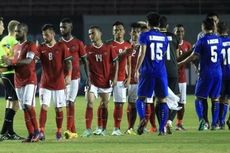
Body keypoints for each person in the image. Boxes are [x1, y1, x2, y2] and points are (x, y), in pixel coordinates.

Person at [178, 18, 222, 130]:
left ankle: (204, 122)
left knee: (199, 98)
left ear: (203, 27)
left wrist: (181, 63)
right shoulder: (218, 39)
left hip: (206, 73)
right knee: (215, 98)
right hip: (218, 72)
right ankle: (215, 124)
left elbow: (194, 56)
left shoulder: (202, 41)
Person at [2, 23, 40, 142]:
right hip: (18, 80)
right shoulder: (15, 47)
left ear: (24, 32)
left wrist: (11, 62)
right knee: (24, 107)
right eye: (16, 31)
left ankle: (37, 132)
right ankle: (30, 134)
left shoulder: (30, 45)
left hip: (30, 79)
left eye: (18, 31)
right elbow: (13, 64)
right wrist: (6, 65)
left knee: (28, 105)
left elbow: (28, 61)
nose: (16, 33)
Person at [135, 12, 169, 136]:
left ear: (148, 23)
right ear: (159, 24)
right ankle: (162, 129)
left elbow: (142, 53)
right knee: (162, 100)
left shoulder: (144, 35)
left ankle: (143, 117)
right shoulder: (164, 37)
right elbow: (163, 55)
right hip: (161, 71)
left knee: (141, 98)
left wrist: (136, 69)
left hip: (147, 71)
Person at [81, 26, 118, 137]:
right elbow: (83, 63)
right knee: (90, 102)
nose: (90, 36)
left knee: (104, 105)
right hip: (92, 81)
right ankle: (88, 129)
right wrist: (86, 78)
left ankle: (103, 129)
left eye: (93, 33)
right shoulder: (87, 49)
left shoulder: (108, 48)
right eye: (89, 34)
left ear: (100, 34)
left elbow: (116, 63)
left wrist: (115, 78)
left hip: (106, 81)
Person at [37, 24, 72, 141]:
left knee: (59, 109)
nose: (44, 37)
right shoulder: (41, 48)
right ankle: (41, 131)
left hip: (59, 83)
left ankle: (58, 131)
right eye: (43, 35)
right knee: (44, 106)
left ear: (52, 34)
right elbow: (34, 60)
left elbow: (68, 63)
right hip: (45, 83)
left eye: (46, 35)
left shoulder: (62, 46)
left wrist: (69, 76)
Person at [59, 18, 89, 139]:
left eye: (64, 27)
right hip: (61, 78)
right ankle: (73, 130)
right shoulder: (58, 43)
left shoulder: (78, 43)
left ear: (70, 28)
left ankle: (68, 129)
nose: (62, 29)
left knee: (70, 102)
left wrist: (88, 77)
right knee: (66, 103)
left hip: (75, 77)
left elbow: (85, 61)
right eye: (60, 27)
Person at [0, 19, 24, 140]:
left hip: (5, 74)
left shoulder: (4, 40)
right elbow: (11, 59)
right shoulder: (14, 42)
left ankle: (9, 132)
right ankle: (3, 131)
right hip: (10, 74)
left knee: (10, 102)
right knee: (16, 103)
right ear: (16, 29)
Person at [108, 21, 131, 136]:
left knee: (119, 104)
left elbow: (128, 63)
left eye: (120, 29)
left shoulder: (128, 45)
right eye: (116, 30)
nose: (118, 32)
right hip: (107, 78)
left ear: (124, 31)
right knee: (103, 103)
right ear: (112, 32)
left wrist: (129, 76)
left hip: (121, 78)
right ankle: (100, 128)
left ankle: (116, 128)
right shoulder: (109, 45)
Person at [159, 16, 180, 134]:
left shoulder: (156, 36)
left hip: (160, 71)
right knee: (177, 98)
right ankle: (169, 122)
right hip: (172, 71)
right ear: (167, 26)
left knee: (161, 100)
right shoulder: (173, 37)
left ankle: (162, 125)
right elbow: (176, 56)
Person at [174, 24, 192, 130]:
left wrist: (195, 66)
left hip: (182, 79)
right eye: (177, 32)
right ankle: (167, 122)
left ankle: (179, 123)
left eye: (181, 31)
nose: (180, 34)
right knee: (170, 102)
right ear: (174, 33)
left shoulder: (187, 45)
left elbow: (192, 58)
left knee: (182, 102)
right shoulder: (171, 44)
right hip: (171, 78)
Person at [217, 21, 230, 129]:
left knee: (221, 98)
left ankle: (221, 122)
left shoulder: (217, 41)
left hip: (221, 74)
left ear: (217, 30)